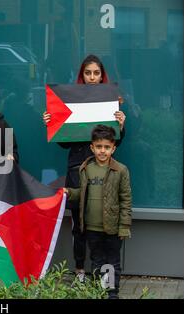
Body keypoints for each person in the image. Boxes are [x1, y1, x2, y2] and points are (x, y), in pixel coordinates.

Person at [42, 54, 127, 281]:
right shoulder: (70, 100)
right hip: (77, 168)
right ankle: (80, 270)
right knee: (79, 223)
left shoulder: (111, 99)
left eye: (96, 73)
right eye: (88, 73)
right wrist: (54, 123)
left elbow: (115, 142)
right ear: (82, 75)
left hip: (103, 170)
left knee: (101, 220)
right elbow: (64, 143)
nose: (92, 77)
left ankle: (104, 276)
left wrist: (121, 125)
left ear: (102, 75)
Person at [63, 125, 132, 299]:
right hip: (92, 227)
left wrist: (124, 226)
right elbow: (83, 193)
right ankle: (99, 291)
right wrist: (70, 192)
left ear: (113, 148)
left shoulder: (120, 170)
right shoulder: (86, 168)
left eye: (107, 147)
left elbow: (126, 200)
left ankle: (111, 293)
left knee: (112, 262)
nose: (102, 151)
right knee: (97, 261)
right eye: (99, 147)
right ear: (92, 147)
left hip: (112, 227)